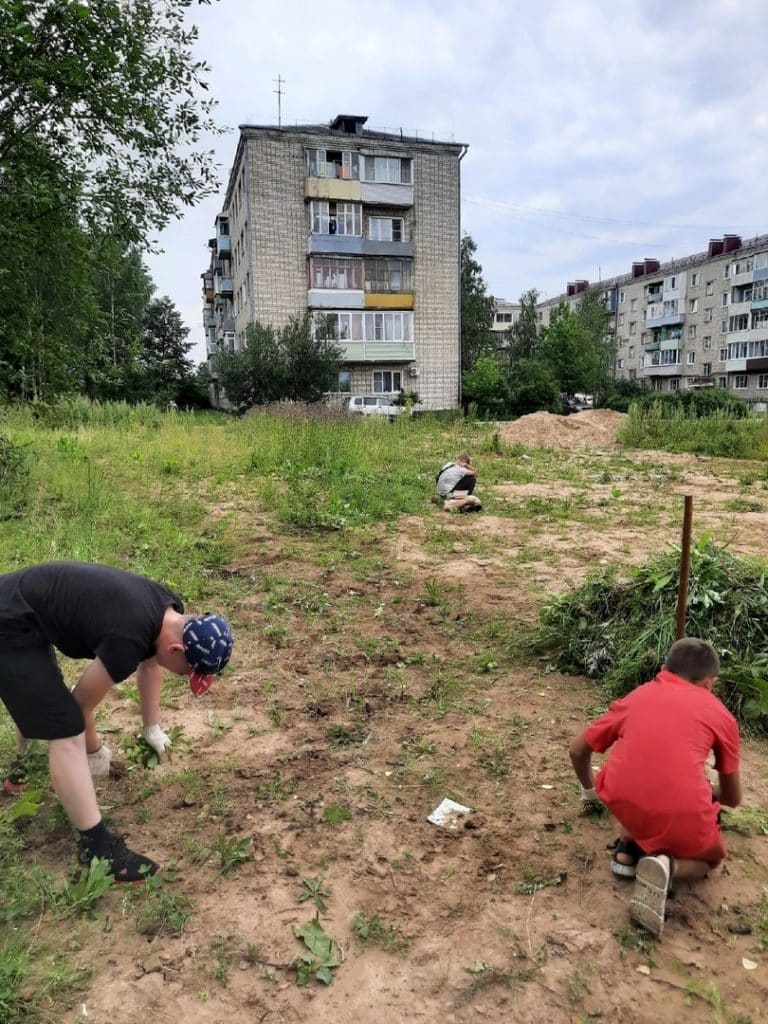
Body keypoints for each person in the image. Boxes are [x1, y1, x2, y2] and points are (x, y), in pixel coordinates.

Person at [0, 562, 233, 882]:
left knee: (41, 695)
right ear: (177, 648)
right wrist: (94, 753)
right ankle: (98, 848)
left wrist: (152, 728)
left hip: (23, 605)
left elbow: (151, 664)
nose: (182, 676)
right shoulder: (128, 637)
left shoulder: (167, 609)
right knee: (65, 725)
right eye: (186, 671)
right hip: (9, 622)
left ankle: (21, 774)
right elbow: (81, 702)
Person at [569, 638, 741, 939]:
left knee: (633, 785)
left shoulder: (638, 695)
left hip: (622, 796)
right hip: (681, 810)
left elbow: (577, 750)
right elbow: (733, 798)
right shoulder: (722, 716)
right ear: (710, 683)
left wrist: (589, 793)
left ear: (664, 669)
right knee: (709, 861)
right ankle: (667, 865)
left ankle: (628, 848)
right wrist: (711, 789)